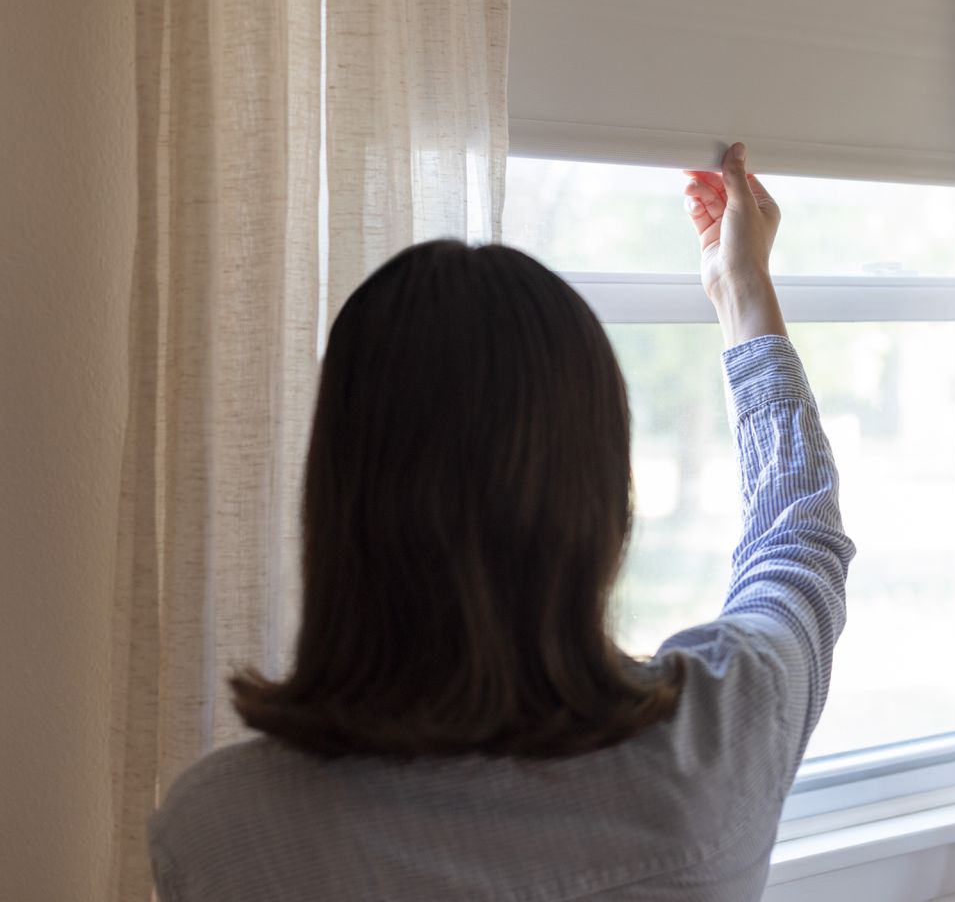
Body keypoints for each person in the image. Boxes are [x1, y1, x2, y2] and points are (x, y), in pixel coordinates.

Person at [147, 143, 856, 900]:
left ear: (337, 497)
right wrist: (742, 290)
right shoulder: (717, 738)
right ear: (602, 501)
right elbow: (800, 537)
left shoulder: (222, 830)